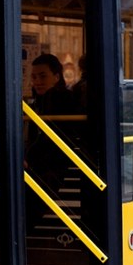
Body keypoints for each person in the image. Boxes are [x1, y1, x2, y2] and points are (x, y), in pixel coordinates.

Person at [25, 53, 78, 230]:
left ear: (56, 77)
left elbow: (50, 138)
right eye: (34, 77)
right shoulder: (41, 100)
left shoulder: (55, 98)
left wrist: (27, 159)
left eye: (43, 76)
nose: (37, 81)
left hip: (53, 168)